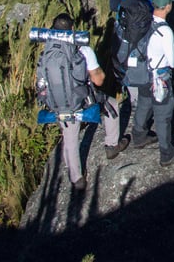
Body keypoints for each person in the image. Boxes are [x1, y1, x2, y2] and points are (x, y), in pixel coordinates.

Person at [39, 13, 125, 191]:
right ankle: (111, 145)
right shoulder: (82, 50)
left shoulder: (46, 53)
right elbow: (98, 80)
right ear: (72, 29)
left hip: (58, 104)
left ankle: (77, 178)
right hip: (82, 101)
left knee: (70, 138)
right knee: (111, 104)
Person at [129, 0, 174, 166]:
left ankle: (139, 135)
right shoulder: (165, 30)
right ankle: (167, 153)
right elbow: (173, 61)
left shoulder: (145, 22)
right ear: (168, 6)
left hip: (143, 73)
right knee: (163, 114)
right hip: (159, 77)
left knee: (143, 103)